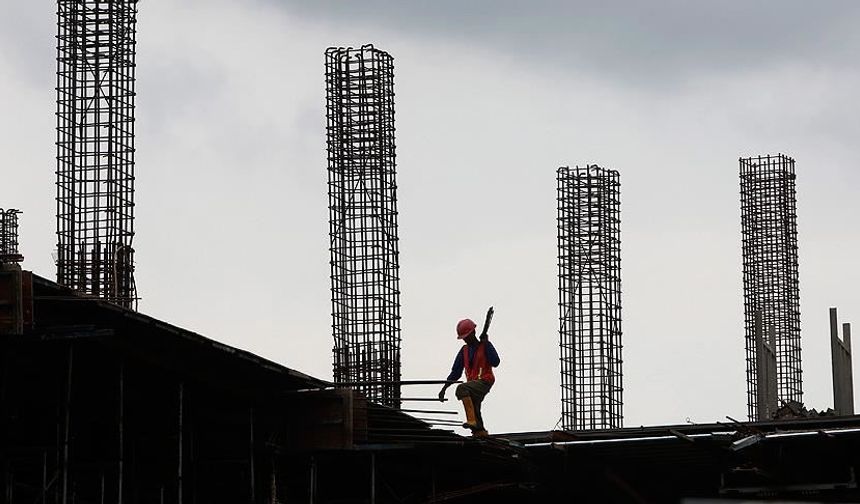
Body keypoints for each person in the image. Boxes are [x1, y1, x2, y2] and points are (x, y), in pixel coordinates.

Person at [438, 318, 501, 436]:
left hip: (485, 381)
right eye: (463, 338)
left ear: (473, 333)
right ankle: (479, 431)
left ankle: (472, 421)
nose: (465, 339)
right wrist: (444, 388)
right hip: (473, 385)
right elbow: (455, 372)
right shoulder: (464, 351)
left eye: (467, 336)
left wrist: (487, 343)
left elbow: (496, 362)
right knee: (474, 406)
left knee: (462, 389)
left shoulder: (484, 345)